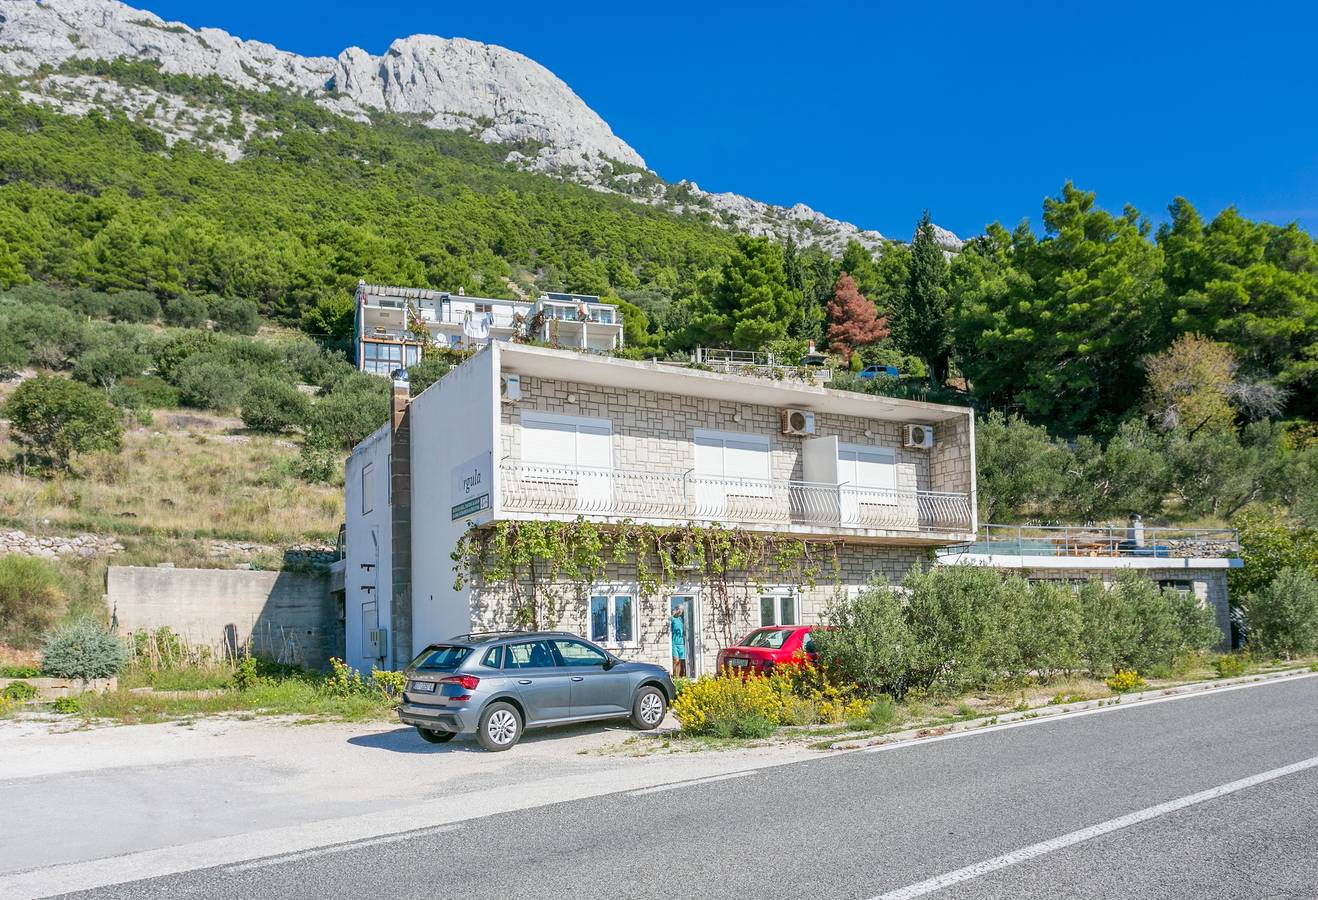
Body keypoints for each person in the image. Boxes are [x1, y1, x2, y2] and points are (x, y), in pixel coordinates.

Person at [670, 606, 686, 677]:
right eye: (679, 609)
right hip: (674, 643)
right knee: (676, 661)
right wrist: (673, 614)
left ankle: (682, 677)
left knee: (682, 661)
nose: (680, 611)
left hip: (682, 643)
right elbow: (667, 622)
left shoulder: (681, 619)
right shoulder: (673, 619)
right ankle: (676, 677)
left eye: (681, 610)